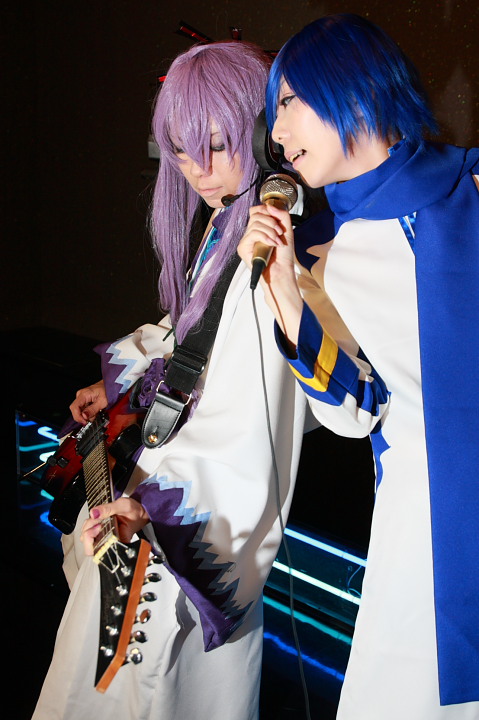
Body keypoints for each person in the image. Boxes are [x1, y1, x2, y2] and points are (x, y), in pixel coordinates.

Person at [32, 40, 315, 720]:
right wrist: (123, 386)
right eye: (181, 152)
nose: (198, 171)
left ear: (261, 130)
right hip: (151, 493)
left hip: (180, 522)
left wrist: (155, 510)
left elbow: (250, 419)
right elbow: (191, 329)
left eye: (217, 145)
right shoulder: (229, 219)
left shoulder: (273, 243)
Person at [238, 13, 479, 720]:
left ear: (353, 82)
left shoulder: (470, 184)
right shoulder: (322, 254)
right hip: (423, 532)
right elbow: (352, 414)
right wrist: (285, 290)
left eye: (288, 102)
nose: (278, 134)